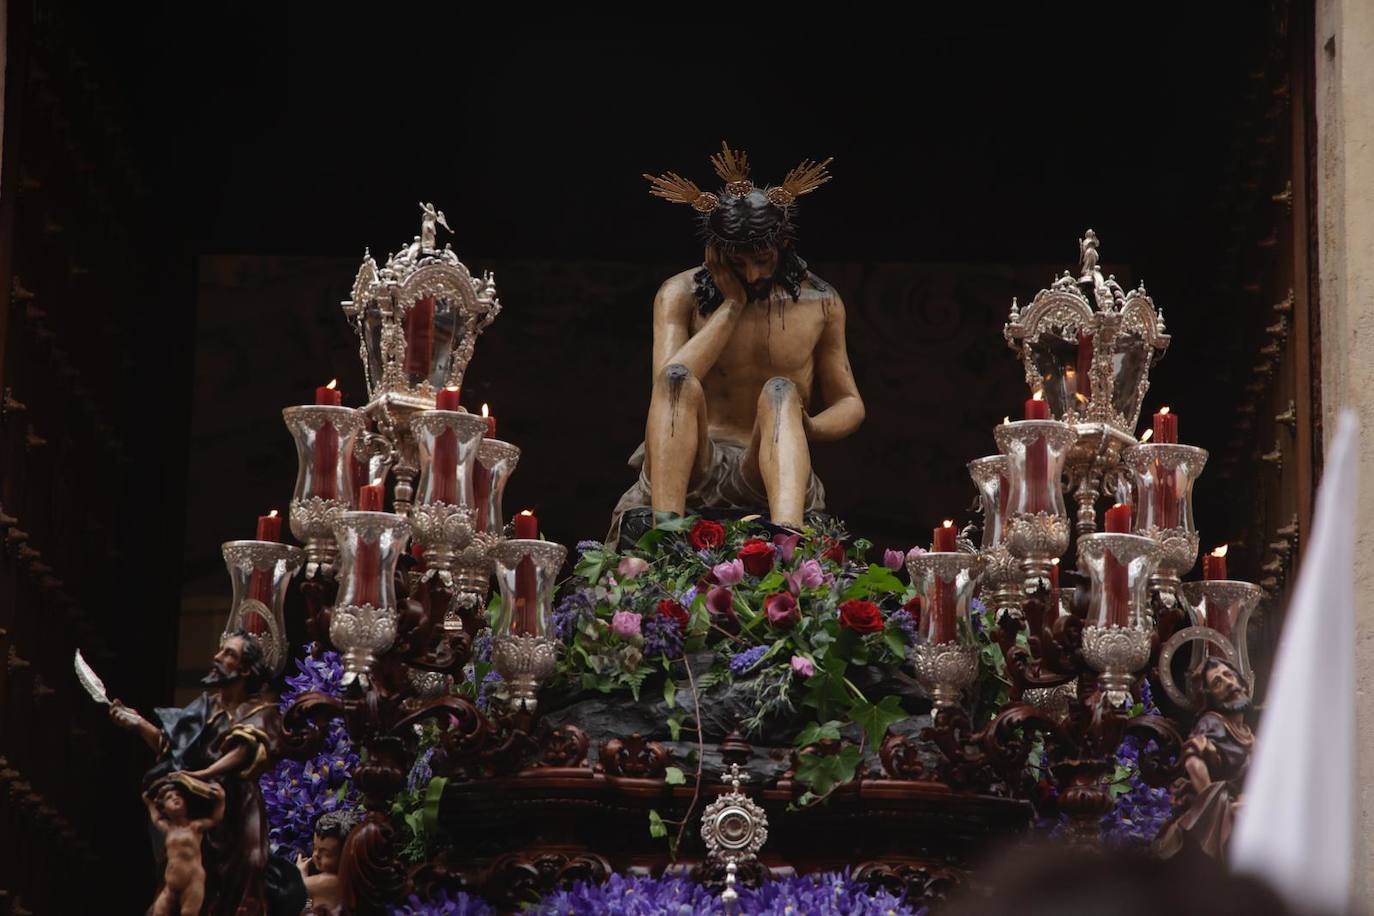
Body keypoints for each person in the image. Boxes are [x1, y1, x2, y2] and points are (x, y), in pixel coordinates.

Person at [612, 143, 865, 540]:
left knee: (781, 390)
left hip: (766, 462)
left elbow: (849, 402)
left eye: (762, 260)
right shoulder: (679, 293)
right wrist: (731, 305)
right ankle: (666, 532)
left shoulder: (821, 302)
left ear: (782, 245)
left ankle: (788, 535)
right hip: (695, 462)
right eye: (738, 263)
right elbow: (668, 384)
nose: (752, 275)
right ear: (716, 252)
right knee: (677, 378)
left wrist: (809, 426)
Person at [111, 629, 305, 915]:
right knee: (186, 876)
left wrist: (203, 774)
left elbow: (243, 752)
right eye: (221, 650)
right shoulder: (204, 708)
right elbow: (170, 747)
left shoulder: (262, 711)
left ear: (245, 669)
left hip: (238, 807)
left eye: (228, 654)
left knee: (250, 865)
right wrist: (139, 723)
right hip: (197, 805)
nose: (217, 657)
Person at [1153, 656, 1255, 859]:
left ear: (1243, 684)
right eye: (1217, 682)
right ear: (1211, 698)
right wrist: (1217, 805)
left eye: (1229, 675)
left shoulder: (1249, 736)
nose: (1228, 683)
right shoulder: (1212, 722)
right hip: (1219, 814)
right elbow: (1193, 760)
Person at [145, 774, 225, 916]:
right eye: (169, 798)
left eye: (178, 796)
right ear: (164, 809)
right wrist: (149, 800)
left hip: (192, 881)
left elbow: (215, 819)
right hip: (170, 885)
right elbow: (155, 817)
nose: (175, 798)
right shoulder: (168, 828)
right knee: (158, 912)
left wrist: (221, 800)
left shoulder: (195, 826)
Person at [296, 809, 357, 913]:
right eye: (315, 847)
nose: (315, 855)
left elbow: (303, 908)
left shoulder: (327, 883)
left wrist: (300, 876)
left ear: (346, 856)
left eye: (326, 853)